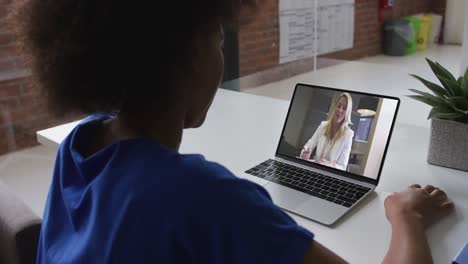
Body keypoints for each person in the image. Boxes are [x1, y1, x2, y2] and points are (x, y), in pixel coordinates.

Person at [13, 0, 454, 263]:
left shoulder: (80, 145)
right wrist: (406, 216)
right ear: (187, 57)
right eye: (218, 42)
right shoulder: (201, 195)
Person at [300, 93, 354, 170]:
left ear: (348, 112)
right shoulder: (323, 126)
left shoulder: (348, 134)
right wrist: (304, 154)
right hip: (314, 169)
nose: (340, 110)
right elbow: (309, 145)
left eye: (344, 108)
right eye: (338, 106)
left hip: (330, 175)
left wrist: (324, 164)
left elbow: (342, 167)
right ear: (335, 107)